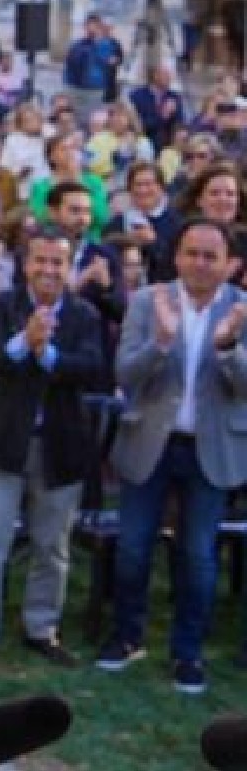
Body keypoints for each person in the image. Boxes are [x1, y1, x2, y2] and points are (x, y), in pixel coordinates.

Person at [100, 219, 247, 693]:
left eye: (211, 256)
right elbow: (125, 373)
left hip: (211, 450)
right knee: (133, 548)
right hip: (150, 444)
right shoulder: (148, 302)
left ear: (229, 264)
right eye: (192, 253)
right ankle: (127, 636)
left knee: (199, 557)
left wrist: (227, 346)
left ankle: (188, 653)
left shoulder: (242, 310)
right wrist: (161, 343)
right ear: (177, 256)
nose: (200, 264)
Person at [0, 229, 107, 673]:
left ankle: (41, 627)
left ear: (69, 266)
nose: (48, 270)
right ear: (27, 264)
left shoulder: (84, 315)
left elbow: (92, 368)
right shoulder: (5, 306)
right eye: (40, 261)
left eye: (58, 262)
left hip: (59, 446)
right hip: (3, 443)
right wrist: (26, 341)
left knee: (52, 546)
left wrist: (48, 356)